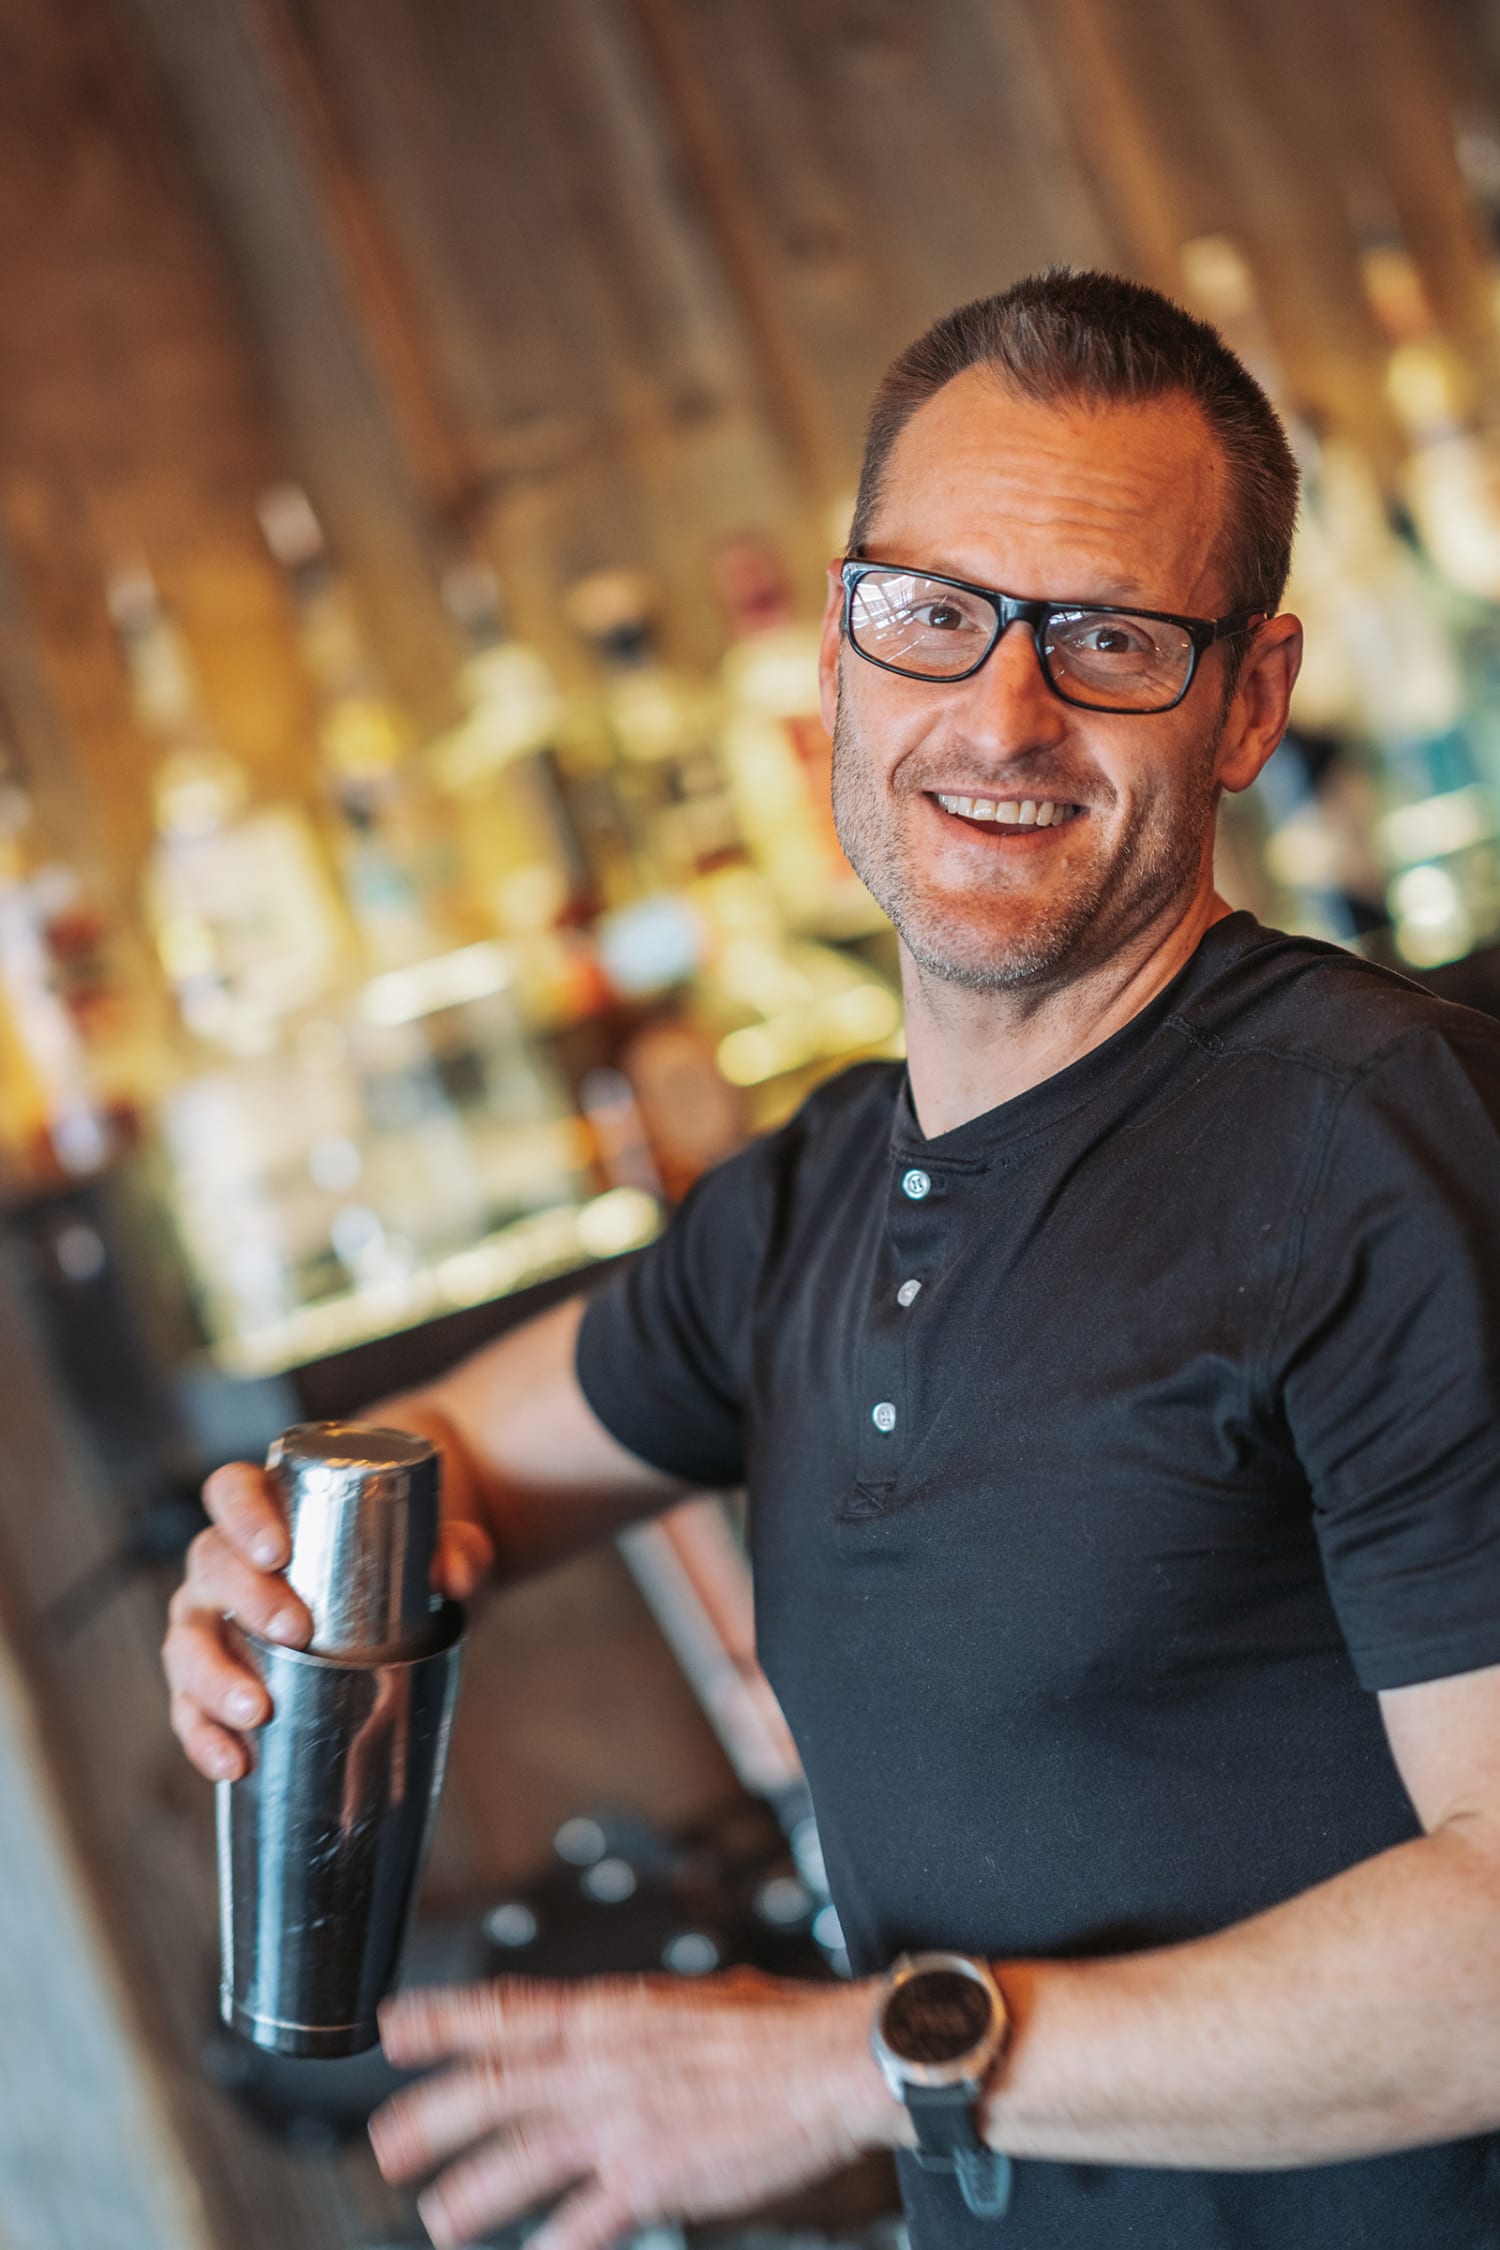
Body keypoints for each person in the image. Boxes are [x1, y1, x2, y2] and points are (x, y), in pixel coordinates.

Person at [163, 271, 1500, 2250]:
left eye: (1111, 641)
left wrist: (860, 2060)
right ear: (840, 659)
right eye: (934, 617)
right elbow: (434, 1452)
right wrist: (285, 1553)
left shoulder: (1377, 1144)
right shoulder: (803, 1209)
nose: (1001, 716)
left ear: (1254, 700)